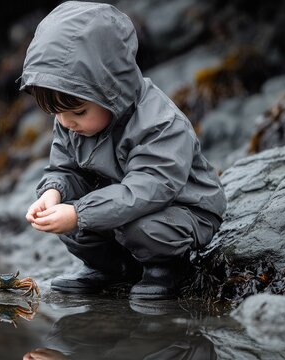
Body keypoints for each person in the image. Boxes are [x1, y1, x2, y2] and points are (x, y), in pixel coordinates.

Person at [21, 1, 226, 299]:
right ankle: (111, 268)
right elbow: (64, 169)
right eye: (56, 114)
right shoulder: (70, 121)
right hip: (118, 200)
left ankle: (166, 268)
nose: (67, 123)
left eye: (78, 112)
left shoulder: (160, 123)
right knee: (63, 211)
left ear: (110, 90)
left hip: (182, 208)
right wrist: (53, 193)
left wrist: (79, 213)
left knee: (137, 227)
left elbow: (148, 189)